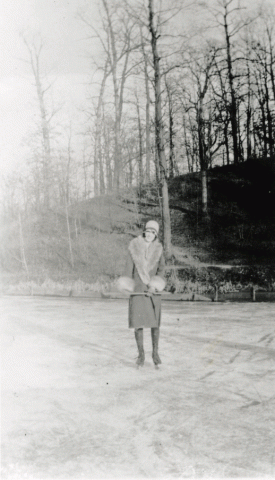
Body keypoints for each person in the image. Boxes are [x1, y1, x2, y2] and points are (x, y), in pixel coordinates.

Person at [118, 220, 166, 367]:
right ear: (144, 231)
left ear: (156, 235)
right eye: (148, 231)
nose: (150, 234)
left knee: (154, 324)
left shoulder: (158, 249)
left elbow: (162, 270)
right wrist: (126, 285)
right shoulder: (134, 247)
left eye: (153, 232)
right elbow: (128, 269)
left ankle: (155, 354)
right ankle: (141, 356)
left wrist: (154, 286)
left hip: (153, 292)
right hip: (138, 290)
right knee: (138, 324)